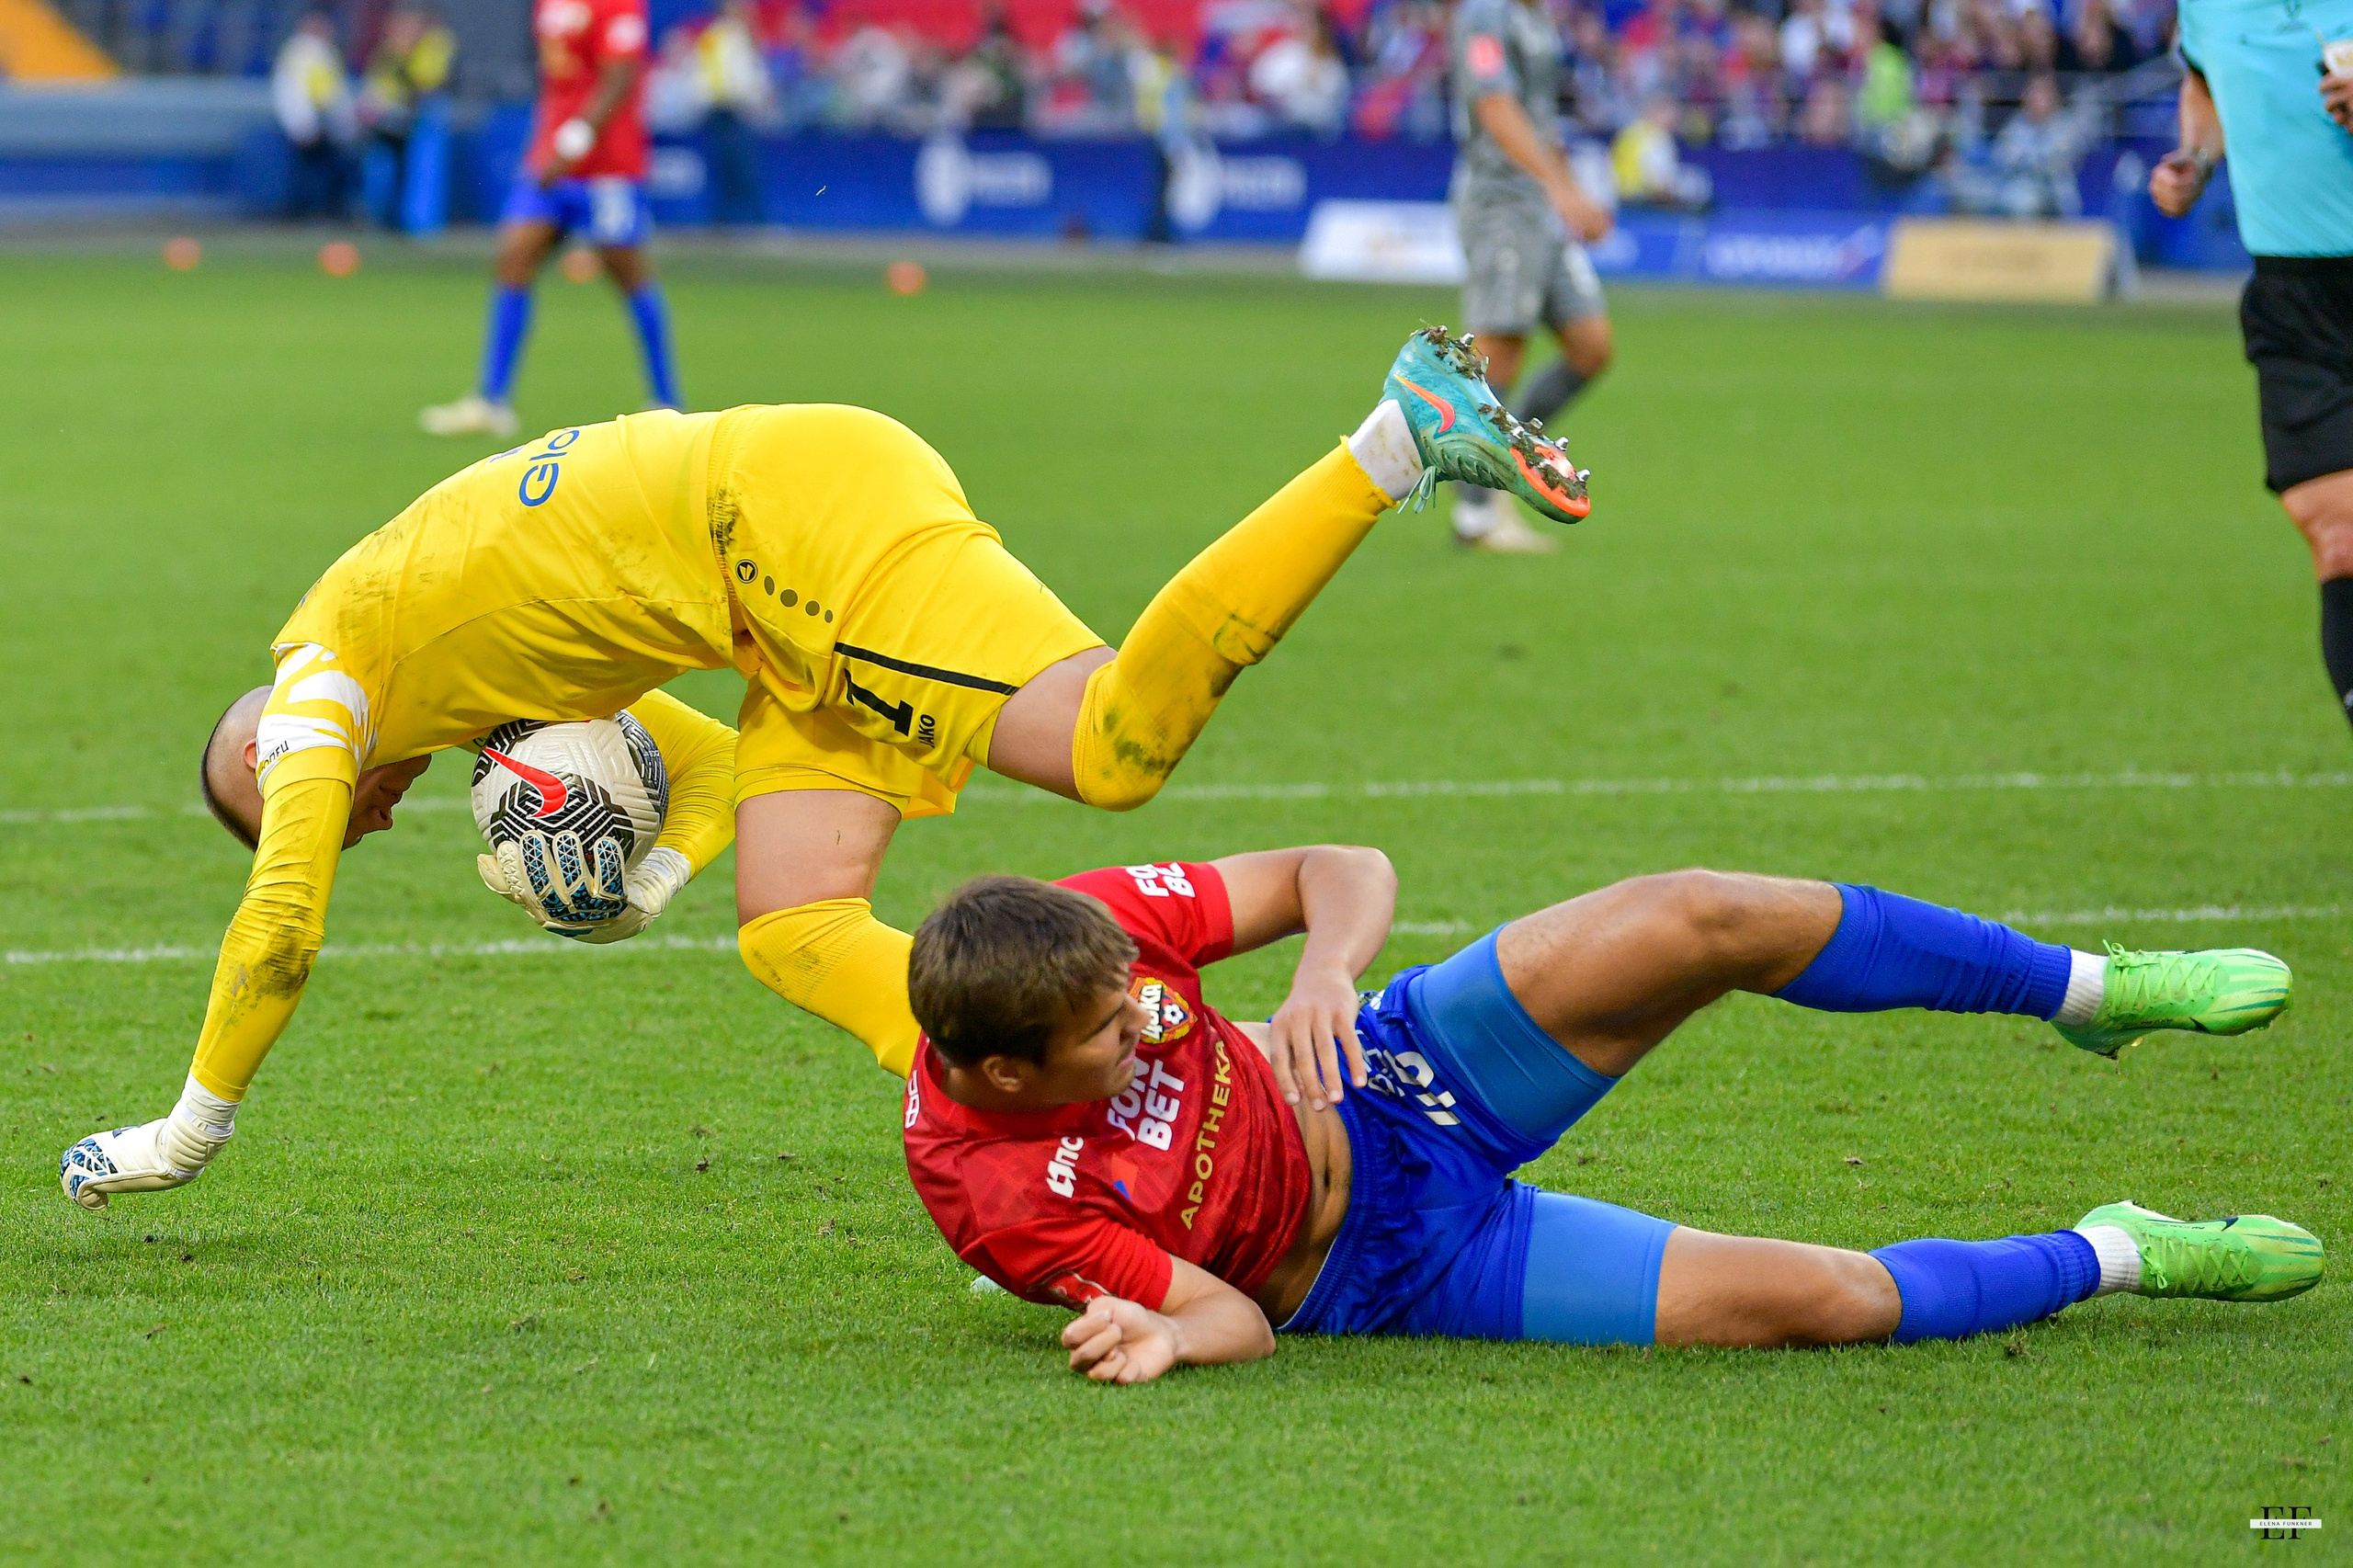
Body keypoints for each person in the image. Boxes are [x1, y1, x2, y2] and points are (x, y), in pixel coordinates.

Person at [56, 328, 1588, 1210]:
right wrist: (641, 876)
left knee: (1116, 747)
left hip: (783, 535)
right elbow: (711, 771)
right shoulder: (419, 669)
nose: (352, 817)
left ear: (268, 745)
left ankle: (1394, 437)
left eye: (305, 800)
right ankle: (1054, 1109)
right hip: (765, 583)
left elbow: (283, 923)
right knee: (793, 924)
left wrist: (186, 1131)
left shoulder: (321, 695)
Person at [900, 851, 2318, 1382]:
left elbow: (1337, 866)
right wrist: (1157, 1336)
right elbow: (1238, 1320)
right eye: (1104, 1037)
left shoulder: (1073, 932)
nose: (1136, 1022)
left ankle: (2088, 989)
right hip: (1393, 1268)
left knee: (1702, 913)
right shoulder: (1002, 1197)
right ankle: (2121, 1250)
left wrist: (1324, 971)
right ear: (1009, 1075)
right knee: (1819, 1301)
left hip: (1395, 1068)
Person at [2152, 8, 2353, 741]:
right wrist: (2197, 158)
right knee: (2337, 535)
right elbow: (2203, 86)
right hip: (2293, 299)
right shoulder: (2208, 8)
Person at [419, 0, 675, 439]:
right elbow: (560, 83)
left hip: (608, 167)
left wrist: (572, 142)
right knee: (514, 258)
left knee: (628, 273)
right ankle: (491, 400)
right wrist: (543, 143)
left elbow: (620, 78)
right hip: (550, 160)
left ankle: (666, 401)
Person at [1447, 0, 1616, 554]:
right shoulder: (1485, 16)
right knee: (1500, 353)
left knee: (1591, 346)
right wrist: (1558, 187)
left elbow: (1537, 118)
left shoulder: (1535, 18)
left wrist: (1572, 191)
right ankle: (1476, 516)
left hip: (1539, 204)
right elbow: (1495, 105)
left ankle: (1500, 466)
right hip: (1501, 202)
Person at [355, 4, 456, 233]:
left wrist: (404, 55)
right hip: (391, 115)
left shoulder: (435, 42)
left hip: (425, 113)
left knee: (425, 169)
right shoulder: (391, 47)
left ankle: (421, 226)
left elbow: (427, 83)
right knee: (382, 169)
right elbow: (378, 81)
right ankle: (382, 221)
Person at [271, 8, 354, 222]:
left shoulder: (309, 51)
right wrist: (304, 123)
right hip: (312, 122)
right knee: (313, 174)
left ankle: (312, 212)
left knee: (315, 172)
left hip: (315, 122)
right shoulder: (308, 52)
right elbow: (299, 92)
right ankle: (313, 213)